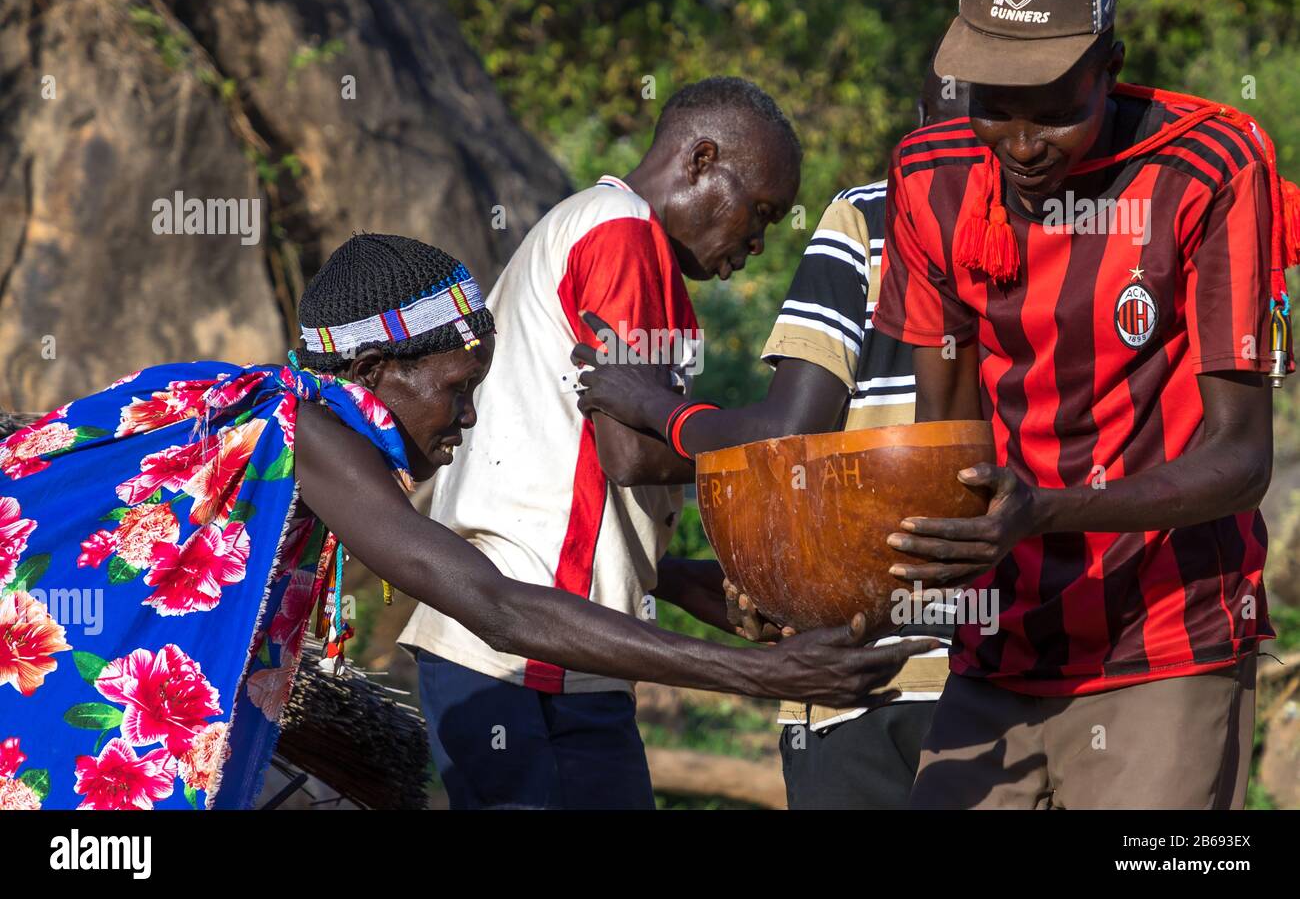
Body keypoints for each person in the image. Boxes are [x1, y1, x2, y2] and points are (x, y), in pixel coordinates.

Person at [0, 233, 931, 811]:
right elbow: (492, 603)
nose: (469, 420)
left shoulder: (275, 424)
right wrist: (758, 674)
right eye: (456, 389)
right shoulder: (307, 432)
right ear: (380, 371)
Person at [871, 0, 1296, 809]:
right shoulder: (932, 176)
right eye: (995, 104)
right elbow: (945, 440)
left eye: (1056, 107)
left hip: (1166, 639)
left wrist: (1048, 510)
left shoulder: (1208, 168)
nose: (1021, 143)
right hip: (997, 644)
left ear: (1112, 66)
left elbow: (1242, 460)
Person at [397, 77, 859, 809]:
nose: (758, 241)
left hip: (552, 644)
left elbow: (574, 472)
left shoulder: (595, 227)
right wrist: (776, 440)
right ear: (702, 159)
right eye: (759, 212)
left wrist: (671, 576)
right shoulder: (623, 231)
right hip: (530, 651)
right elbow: (630, 452)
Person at [571, 64, 970, 809]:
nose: (755, 243)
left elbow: (788, 435)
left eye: (766, 218)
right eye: (757, 214)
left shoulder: (872, 215)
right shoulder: (1083, 224)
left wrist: (650, 402)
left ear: (919, 121)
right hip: (1020, 667)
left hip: (863, 669)